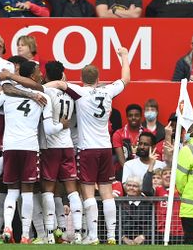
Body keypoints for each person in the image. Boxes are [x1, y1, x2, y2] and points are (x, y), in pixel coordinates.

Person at [48, 48, 131, 244]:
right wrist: (124, 56)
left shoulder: (80, 91)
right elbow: (126, 79)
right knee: (107, 193)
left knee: (88, 193)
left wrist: (39, 88)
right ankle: (111, 236)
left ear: (81, 78)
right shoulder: (108, 90)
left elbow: (58, 84)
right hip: (105, 148)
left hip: (87, 149)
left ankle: (93, 236)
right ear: (98, 78)